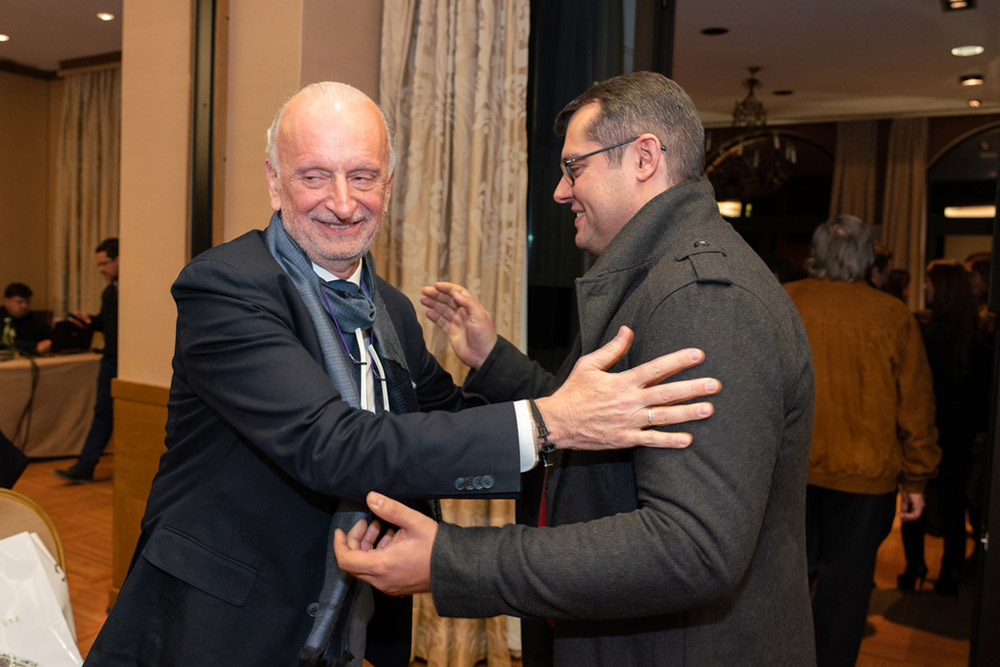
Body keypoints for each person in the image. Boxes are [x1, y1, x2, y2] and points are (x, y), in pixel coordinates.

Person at [83, 82, 719, 667]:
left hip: (349, 630)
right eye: (314, 176)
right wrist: (548, 423)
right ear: (275, 183)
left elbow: (445, 423)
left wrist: (568, 409)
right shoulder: (225, 288)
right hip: (217, 630)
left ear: (387, 185)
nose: (342, 203)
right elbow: (329, 445)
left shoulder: (389, 308)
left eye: (362, 177)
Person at [335, 71, 817, 665]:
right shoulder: (658, 277)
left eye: (574, 167)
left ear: (644, 158)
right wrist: (492, 358)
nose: (561, 192)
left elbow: (692, 545)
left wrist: (452, 559)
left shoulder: (702, 299)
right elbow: (600, 425)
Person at [783, 216, 940, 666]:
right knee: (846, 595)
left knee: (783, 587)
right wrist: (917, 478)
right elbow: (916, 404)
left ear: (816, 254)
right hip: (865, 479)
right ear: (868, 258)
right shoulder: (893, 315)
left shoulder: (786, 300)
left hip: (790, 470)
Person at [900, 260, 992, 595]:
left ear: (942, 290)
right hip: (958, 435)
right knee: (953, 506)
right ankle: (950, 572)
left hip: (926, 428)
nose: (925, 288)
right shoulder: (978, 337)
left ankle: (914, 566)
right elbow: (982, 392)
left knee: (915, 497)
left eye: (929, 283)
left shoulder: (925, 333)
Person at [55, 238, 119, 483]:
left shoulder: (133, 290)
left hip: (128, 362)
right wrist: (91, 322)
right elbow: (107, 323)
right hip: (109, 359)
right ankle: (85, 467)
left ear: (119, 259)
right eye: (98, 265)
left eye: (104, 263)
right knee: (102, 413)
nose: (101, 269)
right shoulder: (108, 292)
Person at [0, 282, 53, 354]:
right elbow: (4, 343)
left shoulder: (35, 319)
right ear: (6, 301)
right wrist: (35, 346)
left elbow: (50, 337)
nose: (24, 306)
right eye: (19, 302)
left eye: (27, 302)